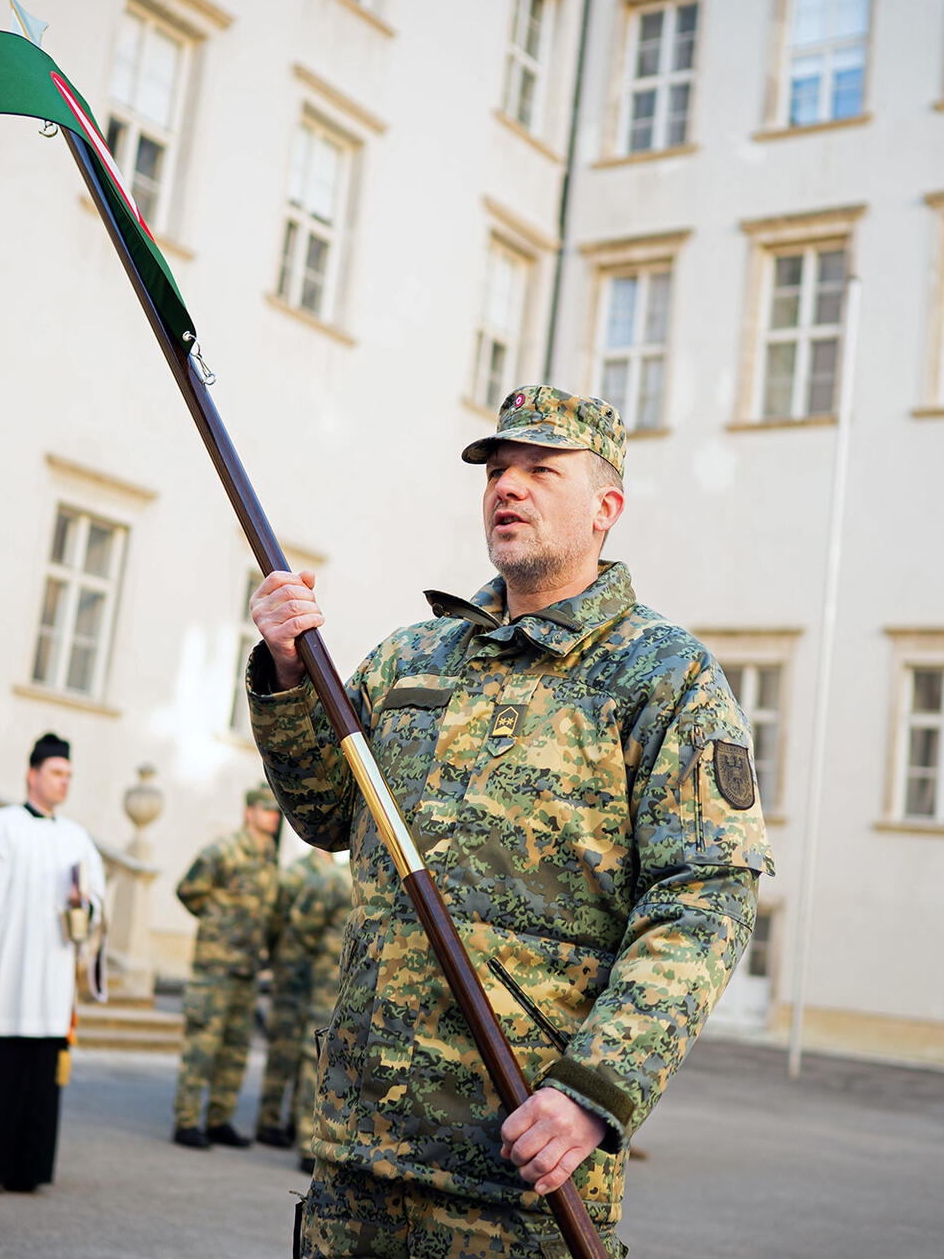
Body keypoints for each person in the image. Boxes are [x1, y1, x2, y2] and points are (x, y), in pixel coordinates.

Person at [247, 385, 772, 1255]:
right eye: (496, 469)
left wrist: (594, 1090)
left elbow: (706, 901)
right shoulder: (414, 656)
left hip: (520, 1171)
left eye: (540, 469)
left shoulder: (663, 678)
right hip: (361, 1155)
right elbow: (326, 814)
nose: (507, 486)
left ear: (606, 508)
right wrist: (288, 676)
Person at [0, 732, 106, 1192]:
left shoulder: (76, 838)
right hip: (2, 978)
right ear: (32, 775)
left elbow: (95, 903)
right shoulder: (0, 826)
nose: (64, 781)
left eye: (68, 775)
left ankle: (25, 1171)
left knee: (36, 1078)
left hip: (49, 983)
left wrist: (86, 904)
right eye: (56, 772)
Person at [172, 785, 285, 1149]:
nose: (273, 817)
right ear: (249, 812)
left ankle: (219, 1119)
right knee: (202, 1046)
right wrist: (217, 919)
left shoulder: (269, 856)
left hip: (247, 967)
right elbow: (188, 890)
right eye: (267, 810)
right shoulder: (223, 851)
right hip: (216, 967)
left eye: (276, 812)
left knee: (235, 1049)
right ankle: (186, 1121)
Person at [286, 849, 354, 1174]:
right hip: (329, 984)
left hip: (361, 987)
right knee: (315, 1057)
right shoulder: (334, 881)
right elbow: (302, 925)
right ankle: (306, 1139)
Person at [255, 845, 326, 1148]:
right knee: (283, 1047)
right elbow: (277, 921)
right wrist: (278, 957)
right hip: (291, 972)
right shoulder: (296, 873)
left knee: (309, 1049)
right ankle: (268, 1118)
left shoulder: (337, 873)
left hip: (318, 978)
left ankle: (296, 1121)